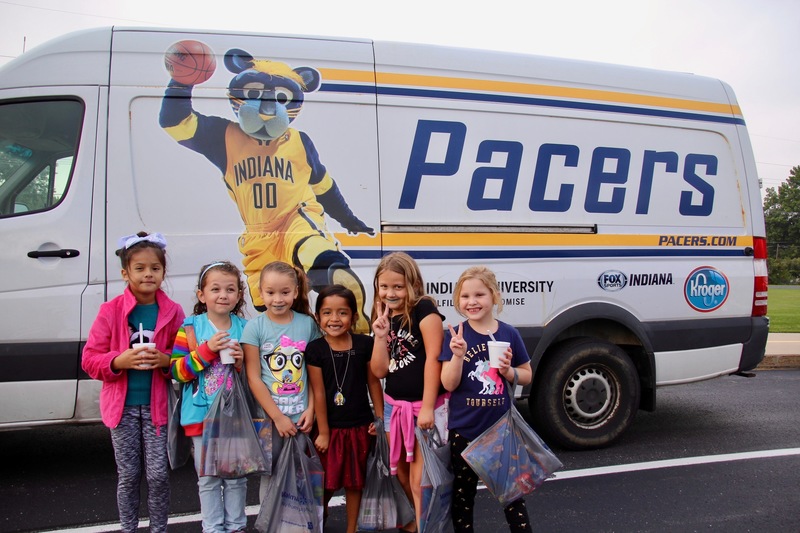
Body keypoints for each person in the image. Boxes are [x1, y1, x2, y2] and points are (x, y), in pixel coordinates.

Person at [81, 231, 185, 533]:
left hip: (157, 409)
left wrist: (167, 362)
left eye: (155, 268)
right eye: (140, 268)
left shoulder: (172, 311)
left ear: (163, 272)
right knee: (128, 475)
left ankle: (159, 528)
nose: (148, 274)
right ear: (125, 273)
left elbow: (183, 360)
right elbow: (90, 359)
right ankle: (128, 527)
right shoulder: (110, 311)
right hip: (121, 408)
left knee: (158, 476)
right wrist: (117, 361)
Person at [440, 266, 534, 533]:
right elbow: (448, 384)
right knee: (463, 497)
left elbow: (527, 375)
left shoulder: (508, 334)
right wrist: (457, 355)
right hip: (463, 431)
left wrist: (508, 371)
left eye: (479, 294)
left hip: (500, 431)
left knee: (513, 497)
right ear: (458, 300)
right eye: (465, 296)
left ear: (494, 296)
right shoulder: (455, 335)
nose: (472, 302)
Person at [370, 251, 447, 533]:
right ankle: (420, 520)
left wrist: (427, 407)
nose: (391, 293)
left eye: (398, 287)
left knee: (419, 481)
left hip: (421, 408)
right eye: (384, 287)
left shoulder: (424, 309)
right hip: (394, 408)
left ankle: (426, 526)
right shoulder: (382, 316)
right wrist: (379, 336)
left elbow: (433, 359)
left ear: (413, 284)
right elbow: (379, 371)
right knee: (402, 475)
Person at [170, 261, 248, 533]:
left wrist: (240, 363)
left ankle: (237, 526)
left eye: (230, 289)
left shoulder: (245, 327)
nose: (223, 295)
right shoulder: (190, 328)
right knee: (209, 478)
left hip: (236, 417)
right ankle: (213, 528)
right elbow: (177, 372)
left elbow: (254, 377)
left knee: (236, 477)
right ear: (202, 295)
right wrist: (205, 351)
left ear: (239, 295)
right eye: (215, 289)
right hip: (200, 416)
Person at [306, 285, 385, 533]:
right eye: (327, 313)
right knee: (324, 483)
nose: (334, 319)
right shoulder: (316, 350)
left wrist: (381, 420)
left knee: (355, 483)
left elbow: (374, 382)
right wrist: (324, 431)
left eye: (342, 313)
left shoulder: (364, 345)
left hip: (360, 426)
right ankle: (321, 515)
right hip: (329, 429)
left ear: (353, 316)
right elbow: (318, 391)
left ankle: (352, 528)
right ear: (318, 317)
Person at [240, 260, 321, 500]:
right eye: (271, 292)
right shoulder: (254, 328)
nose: (278, 299)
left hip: (301, 419)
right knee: (271, 474)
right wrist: (278, 417)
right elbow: (254, 378)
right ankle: (270, 523)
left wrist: (312, 410)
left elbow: (315, 373)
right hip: (270, 421)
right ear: (260, 292)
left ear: (296, 292)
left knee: (299, 474)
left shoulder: (307, 325)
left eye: (285, 292)